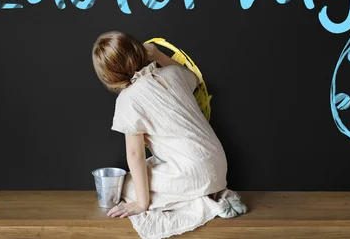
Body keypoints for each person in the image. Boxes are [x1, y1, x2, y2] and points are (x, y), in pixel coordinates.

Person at [92, 31, 246, 238]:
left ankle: (203, 203)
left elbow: (135, 156)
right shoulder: (172, 74)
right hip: (219, 164)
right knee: (150, 169)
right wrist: (157, 55)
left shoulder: (127, 100)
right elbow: (195, 78)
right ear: (140, 51)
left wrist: (141, 203)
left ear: (109, 77)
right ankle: (211, 193)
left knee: (128, 186)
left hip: (193, 170)